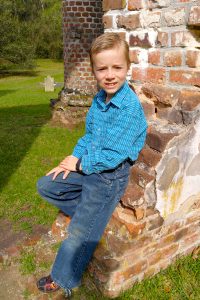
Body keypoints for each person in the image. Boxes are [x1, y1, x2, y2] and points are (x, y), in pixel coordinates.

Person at [36, 32, 147, 298]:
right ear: (94, 71)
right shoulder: (100, 99)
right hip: (88, 166)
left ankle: (63, 279)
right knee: (47, 185)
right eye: (102, 68)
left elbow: (113, 155)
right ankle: (92, 218)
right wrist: (72, 159)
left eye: (117, 67)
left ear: (127, 68)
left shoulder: (129, 108)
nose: (110, 75)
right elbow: (89, 136)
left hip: (109, 176)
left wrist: (80, 165)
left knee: (77, 234)